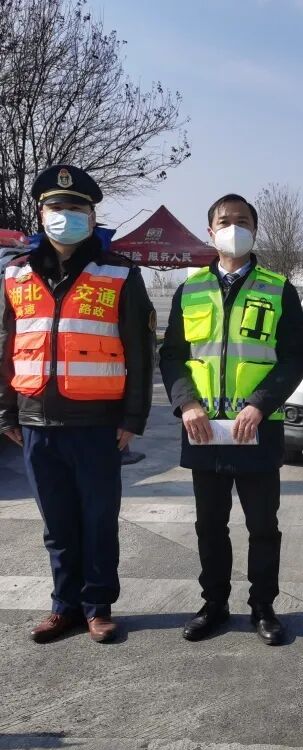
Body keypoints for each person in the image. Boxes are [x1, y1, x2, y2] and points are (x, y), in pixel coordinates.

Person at [0, 164, 155, 643]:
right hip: (36, 421)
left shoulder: (119, 273)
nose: (65, 215)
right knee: (57, 523)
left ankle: (97, 606)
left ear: (91, 217)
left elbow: (139, 352)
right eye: (56, 207)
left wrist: (133, 418)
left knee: (98, 520)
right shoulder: (15, 273)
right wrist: (6, 411)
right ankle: (63, 605)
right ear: (40, 214)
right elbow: (6, 345)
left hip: (97, 423)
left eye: (75, 208)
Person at [160, 194, 303, 644]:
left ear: (254, 231)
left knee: (263, 526)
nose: (233, 228)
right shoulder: (190, 290)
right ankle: (214, 605)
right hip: (204, 430)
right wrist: (186, 403)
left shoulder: (278, 288)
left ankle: (263, 607)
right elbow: (172, 355)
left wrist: (260, 404)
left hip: (256, 430)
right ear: (210, 232)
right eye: (225, 221)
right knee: (210, 526)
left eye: (242, 221)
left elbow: (295, 357)